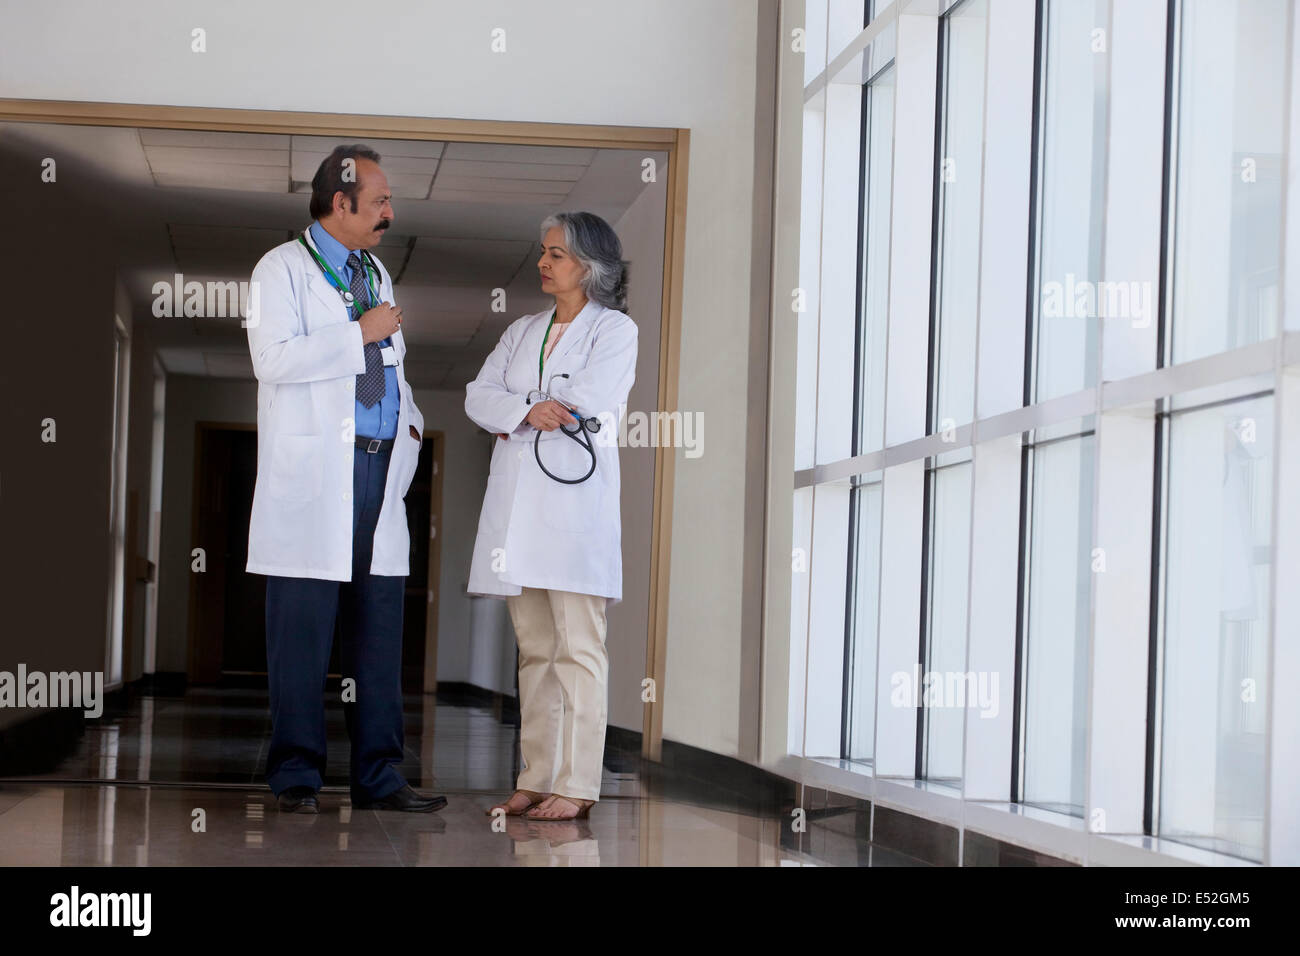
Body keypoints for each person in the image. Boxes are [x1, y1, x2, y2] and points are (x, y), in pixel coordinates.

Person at [245, 144, 445, 814]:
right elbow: (271, 360)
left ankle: (380, 777)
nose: (390, 211)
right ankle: (297, 776)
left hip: (379, 468)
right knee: (303, 630)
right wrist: (358, 332)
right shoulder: (280, 269)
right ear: (341, 202)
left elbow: (392, 367)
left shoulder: (375, 271)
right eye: (381, 201)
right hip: (316, 475)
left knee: (379, 629)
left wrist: (409, 425)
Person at [464, 211, 637, 821]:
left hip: (573, 509)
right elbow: (478, 396)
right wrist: (530, 408)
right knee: (535, 650)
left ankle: (579, 782)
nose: (544, 261)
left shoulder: (615, 330)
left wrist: (529, 407)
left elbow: (586, 399)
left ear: (589, 266)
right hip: (519, 511)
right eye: (543, 250)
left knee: (579, 651)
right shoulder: (522, 329)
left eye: (557, 253)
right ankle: (535, 777)